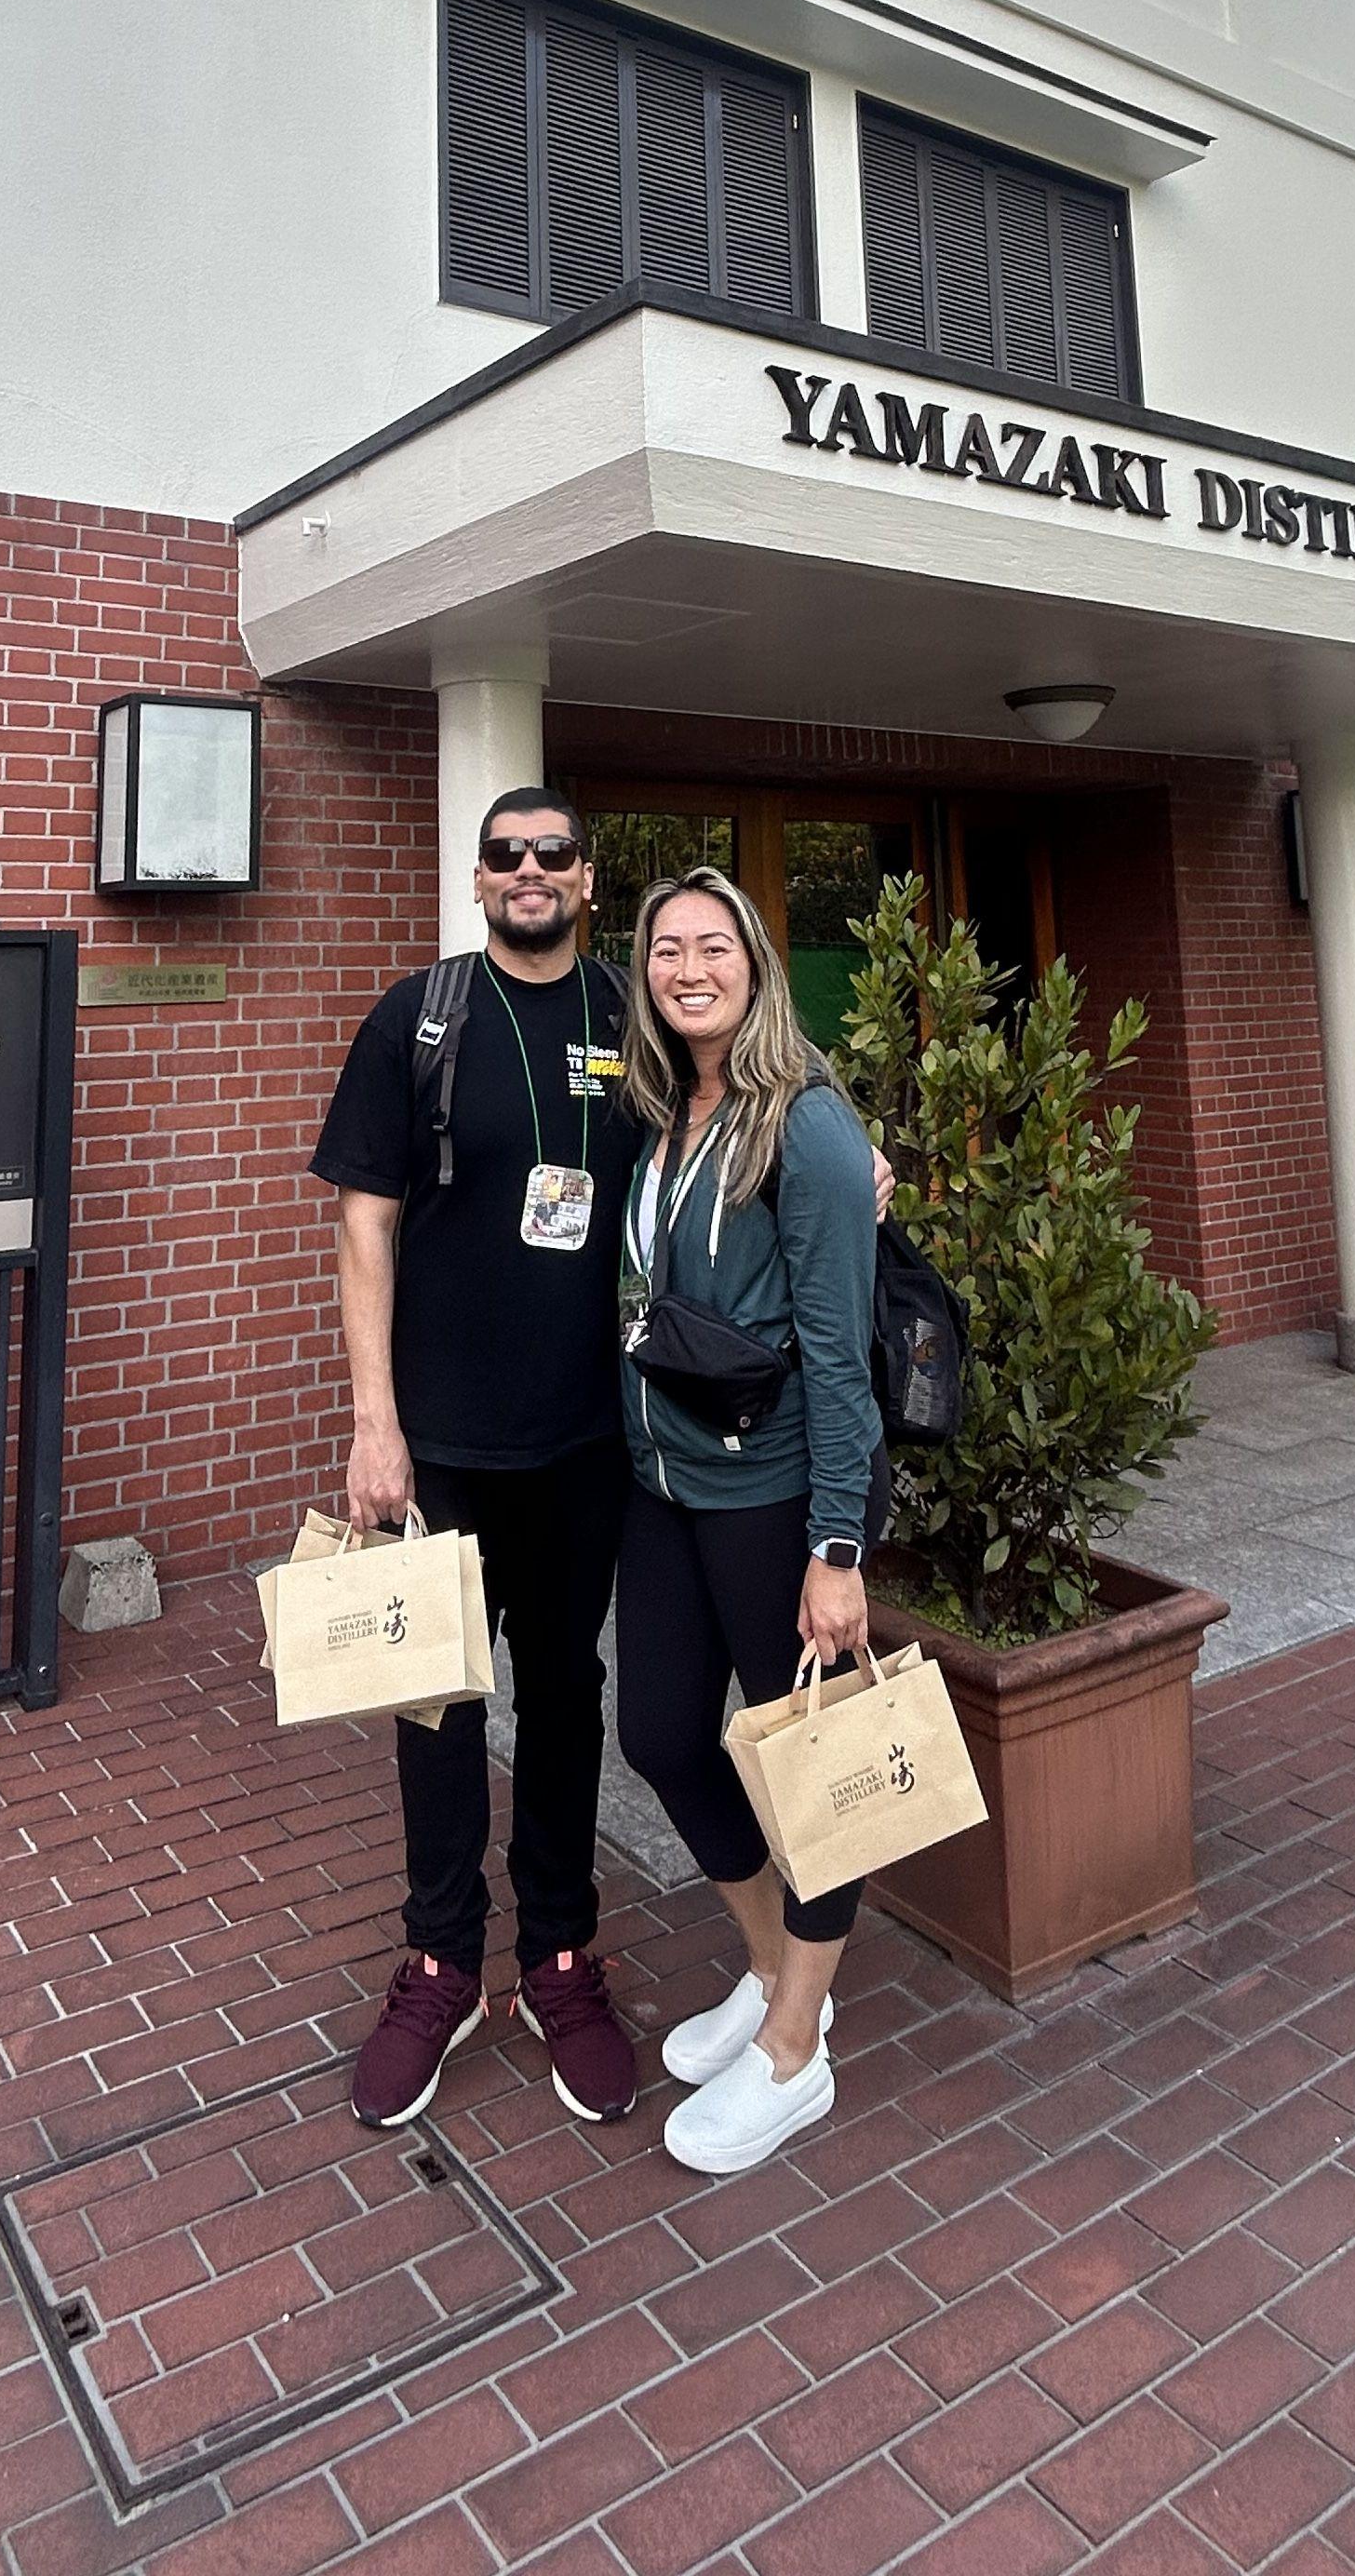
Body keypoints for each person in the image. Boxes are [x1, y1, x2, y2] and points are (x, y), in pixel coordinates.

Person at [308, 788, 647, 2129]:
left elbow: (745, 1111)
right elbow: (364, 1225)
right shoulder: (419, 1018)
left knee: (566, 1696)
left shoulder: (632, 1016)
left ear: (587, 877)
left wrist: (859, 1156)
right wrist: (373, 1422)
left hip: (587, 1437)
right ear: (479, 878)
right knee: (438, 1705)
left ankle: (559, 1951)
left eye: (553, 852)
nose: (528, 870)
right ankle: (442, 1960)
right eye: (506, 854)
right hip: (441, 1442)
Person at [610, 865, 891, 2179]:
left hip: (774, 1494)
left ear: (756, 965)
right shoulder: (666, 1111)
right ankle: (778, 1969)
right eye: (666, 949)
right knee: (663, 1734)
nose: (688, 969)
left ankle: (794, 2052)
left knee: (808, 1772)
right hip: (665, 1487)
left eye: (712, 945)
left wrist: (838, 1548)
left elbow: (839, 1352)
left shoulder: (807, 1123)